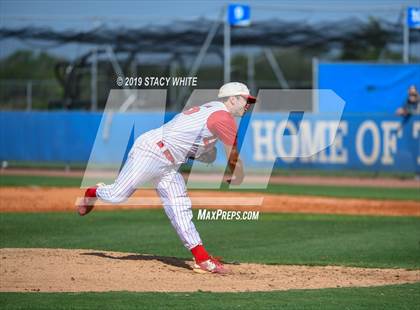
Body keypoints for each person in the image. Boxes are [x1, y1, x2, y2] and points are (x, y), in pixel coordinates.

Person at [77, 82, 257, 274]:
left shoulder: (212, 109)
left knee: (181, 207)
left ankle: (202, 258)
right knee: (117, 195)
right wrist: (239, 175)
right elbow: (233, 155)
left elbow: (193, 140)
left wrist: (202, 152)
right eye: (246, 100)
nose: (248, 105)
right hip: (151, 152)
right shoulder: (223, 117)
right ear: (232, 99)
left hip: (170, 164)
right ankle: (93, 191)